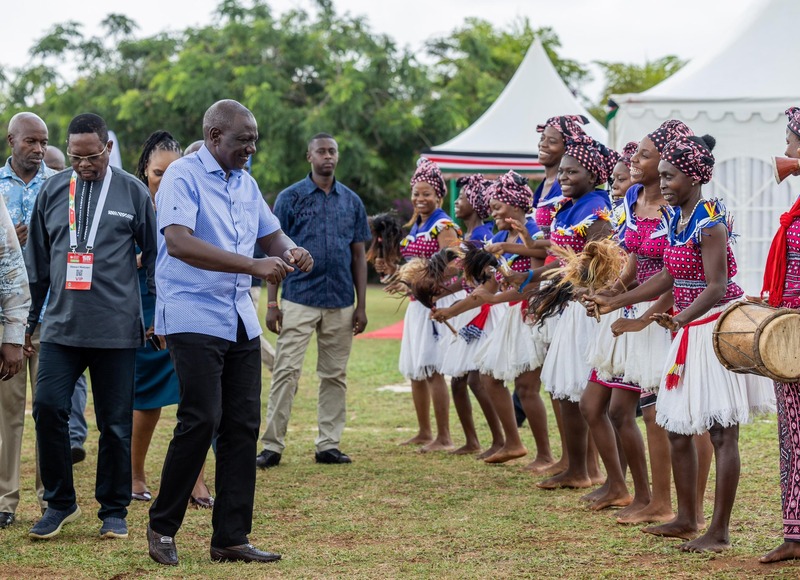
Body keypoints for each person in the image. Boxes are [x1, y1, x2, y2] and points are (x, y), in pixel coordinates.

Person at [591, 133, 774, 552]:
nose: (664, 182)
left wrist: (679, 319)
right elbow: (670, 277)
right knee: (675, 426)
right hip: (687, 326)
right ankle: (686, 518)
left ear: (693, 176)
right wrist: (619, 301)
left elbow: (715, 286)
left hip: (713, 327)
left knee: (722, 433)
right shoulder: (677, 216)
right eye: (664, 175)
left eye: (671, 176)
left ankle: (719, 532)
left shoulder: (709, 221)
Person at [147, 99, 312, 566]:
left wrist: (293, 251)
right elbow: (178, 242)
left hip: (238, 316)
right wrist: (253, 265)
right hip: (192, 312)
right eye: (244, 139)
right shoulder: (182, 175)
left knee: (242, 425)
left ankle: (231, 537)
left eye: (254, 139)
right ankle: (162, 526)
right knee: (201, 418)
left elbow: (271, 235)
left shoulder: (246, 182)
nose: (251, 147)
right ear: (215, 136)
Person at [25, 113, 158, 541]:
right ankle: (60, 503)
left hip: (116, 330)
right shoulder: (51, 189)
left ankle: (113, 509)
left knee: (115, 424)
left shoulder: (132, 191)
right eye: (76, 156)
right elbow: (38, 266)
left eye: (92, 156)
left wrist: (156, 315)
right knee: (47, 408)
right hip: (61, 327)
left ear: (108, 149)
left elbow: (155, 256)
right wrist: (25, 325)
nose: (84, 164)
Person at [256, 132, 370, 469]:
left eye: (332, 151)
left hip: (339, 299)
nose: (328, 157)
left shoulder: (351, 201)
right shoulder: (290, 198)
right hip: (299, 298)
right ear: (309, 156)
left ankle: (328, 445)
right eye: (321, 151)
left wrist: (361, 305)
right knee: (286, 372)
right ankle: (272, 446)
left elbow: (359, 256)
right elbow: (274, 248)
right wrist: (273, 303)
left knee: (334, 375)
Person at [130, 131, 214, 507]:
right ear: (145, 171)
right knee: (147, 396)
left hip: (185, 303)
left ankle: (196, 479)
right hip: (144, 305)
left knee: (192, 393)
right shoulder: (133, 204)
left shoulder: (192, 199)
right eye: (157, 172)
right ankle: (134, 475)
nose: (164, 179)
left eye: (171, 171)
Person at [391, 158, 461, 452]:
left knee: (432, 368)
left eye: (427, 194)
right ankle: (423, 431)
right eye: (416, 194)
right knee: (416, 369)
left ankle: (443, 437)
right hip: (416, 304)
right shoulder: (417, 225)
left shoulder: (443, 224)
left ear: (439, 196)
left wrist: (427, 280)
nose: (420, 199)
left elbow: (456, 263)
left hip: (436, 302)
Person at [760, 106, 800, 564]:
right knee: (792, 435)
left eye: (790, 141)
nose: (785, 151)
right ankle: (794, 533)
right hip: (788, 330)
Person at [438, 175, 503, 456]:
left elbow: (483, 284)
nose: (456, 201)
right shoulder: (469, 237)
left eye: (462, 197)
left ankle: (501, 440)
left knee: (477, 379)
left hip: (483, 310)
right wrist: (435, 295)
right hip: (471, 307)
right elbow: (463, 281)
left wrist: (450, 308)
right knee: (461, 379)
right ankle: (474, 440)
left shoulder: (481, 239)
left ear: (475, 204)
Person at [0, 112, 39, 530]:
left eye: (43, 142)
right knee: (8, 413)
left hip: (47, 314)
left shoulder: (60, 186)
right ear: (11, 140)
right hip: (5, 317)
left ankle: (53, 498)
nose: (38, 149)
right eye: (30, 141)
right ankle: (6, 499)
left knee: (48, 410)